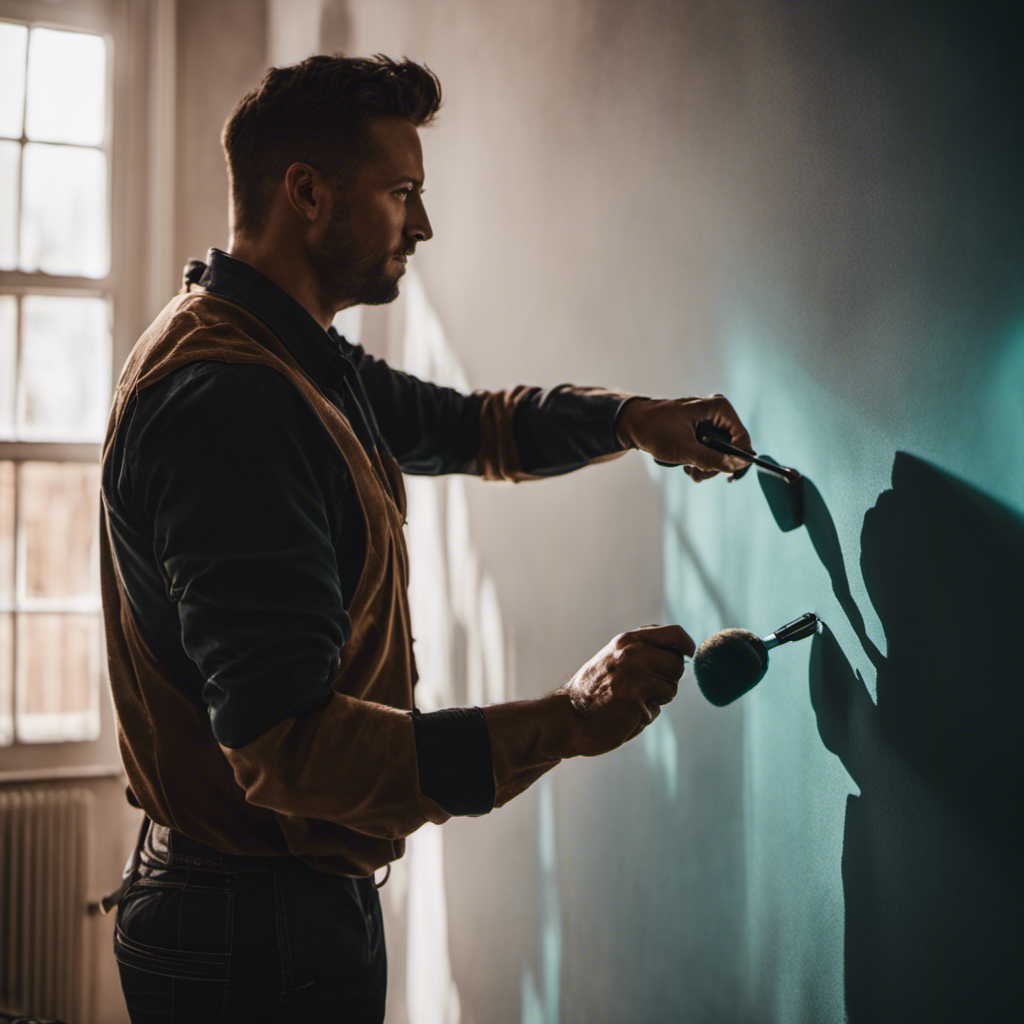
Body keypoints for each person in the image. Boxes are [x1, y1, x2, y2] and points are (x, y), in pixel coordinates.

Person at [98, 54, 754, 1024]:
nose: (424, 223)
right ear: (308, 194)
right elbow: (292, 753)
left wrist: (635, 418)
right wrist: (569, 718)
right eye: (401, 191)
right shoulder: (234, 401)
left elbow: (469, 427)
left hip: (263, 907)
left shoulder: (284, 348)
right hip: (252, 934)